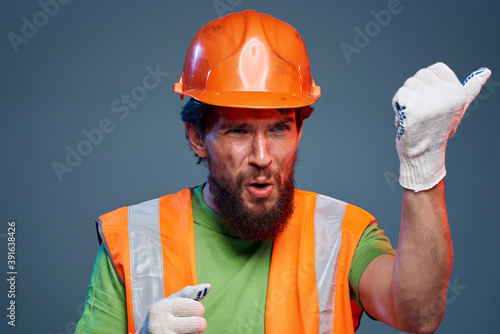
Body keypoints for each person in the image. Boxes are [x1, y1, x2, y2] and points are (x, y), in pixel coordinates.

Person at [75, 9, 491, 334]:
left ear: (299, 129)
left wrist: (423, 162)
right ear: (197, 138)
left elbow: (418, 314)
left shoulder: (341, 232)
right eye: (238, 131)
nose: (262, 156)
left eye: (278, 128)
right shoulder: (134, 237)